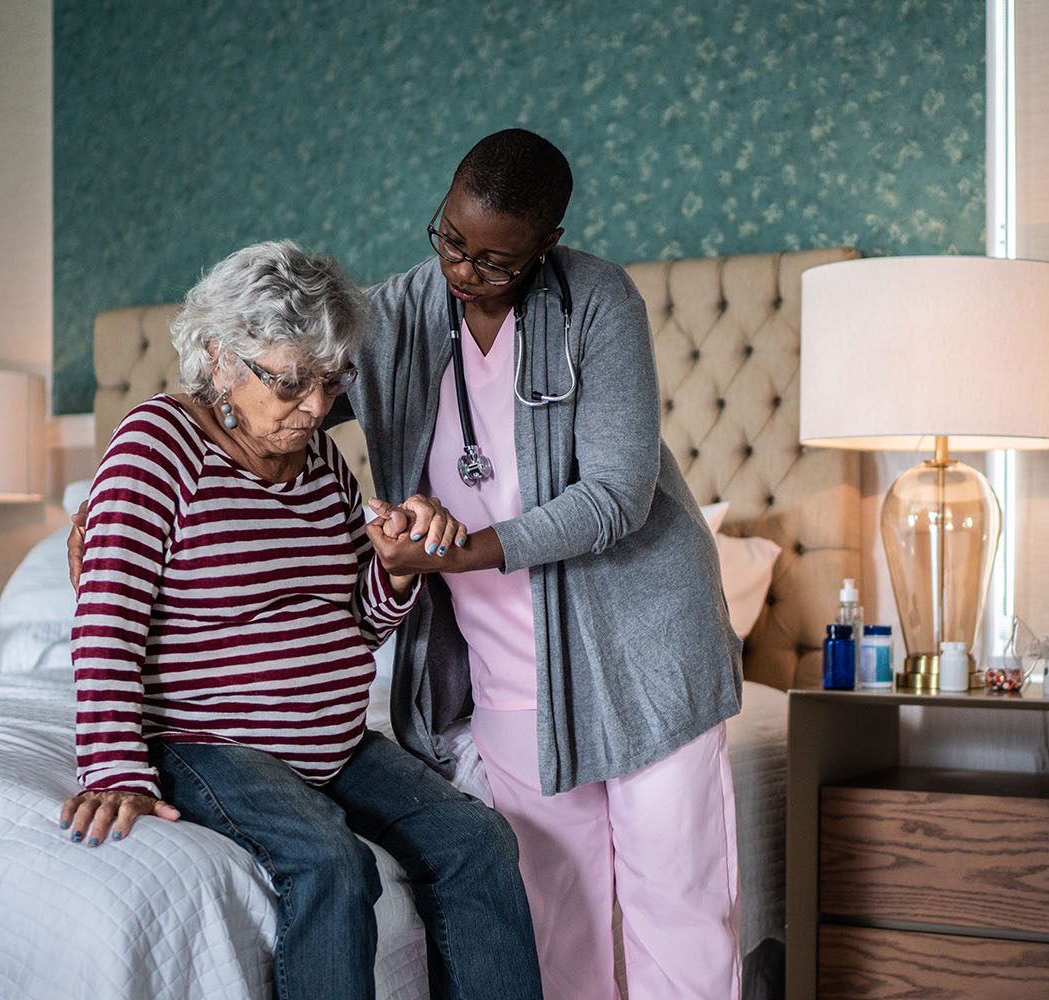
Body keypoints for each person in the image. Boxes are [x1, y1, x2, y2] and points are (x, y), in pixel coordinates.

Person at [59, 240, 543, 1000]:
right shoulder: (155, 447)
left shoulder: (320, 463)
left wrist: (395, 567)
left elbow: (360, 623)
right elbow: (106, 618)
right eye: (290, 382)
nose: (316, 407)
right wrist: (112, 765)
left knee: (477, 840)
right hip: (209, 738)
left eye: (330, 379)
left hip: (335, 741)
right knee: (329, 862)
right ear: (221, 358)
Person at [348, 129, 744, 1000]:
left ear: (546, 246)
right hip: (508, 673)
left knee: (673, 908)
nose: (464, 270)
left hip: (643, 655)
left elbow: (614, 497)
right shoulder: (400, 314)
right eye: (451, 239)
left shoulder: (598, 302)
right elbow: (281, 381)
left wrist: (459, 549)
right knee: (551, 917)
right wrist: (146, 470)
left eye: (497, 260)